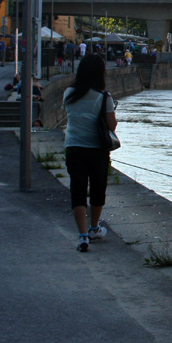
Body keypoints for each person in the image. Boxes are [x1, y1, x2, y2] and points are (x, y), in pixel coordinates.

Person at [62, 55, 115, 252]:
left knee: (78, 190)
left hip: (74, 147)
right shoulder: (104, 97)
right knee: (97, 189)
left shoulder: (69, 93)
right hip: (97, 150)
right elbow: (112, 126)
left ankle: (82, 236)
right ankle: (94, 228)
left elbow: (71, 115)